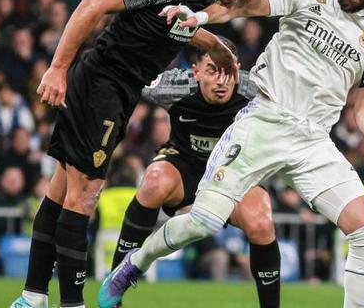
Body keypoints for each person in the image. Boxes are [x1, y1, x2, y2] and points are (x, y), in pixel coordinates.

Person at [99, 0, 364, 308]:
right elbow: (248, 4)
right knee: (202, 222)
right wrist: (199, 19)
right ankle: (132, 266)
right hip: (264, 122)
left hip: (313, 141)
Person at [9, 0, 279, 308]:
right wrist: (57, 68)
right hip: (103, 83)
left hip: (117, 88)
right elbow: (93, 3)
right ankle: (72, 304)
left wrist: (212, 42)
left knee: (59, 190)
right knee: (84, 193)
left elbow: (167, 22)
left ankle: (32, 296)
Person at [110, 37, 280, 308]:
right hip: (184, 166)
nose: (222, 81)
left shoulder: (259, 90)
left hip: (235, 173)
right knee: (153, 183)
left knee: (261, 222)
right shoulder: (173, 86)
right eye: (212, 70)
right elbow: (125, 76)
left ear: (238, 69)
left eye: (228, 72)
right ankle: (115, 282)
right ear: (195, 71)